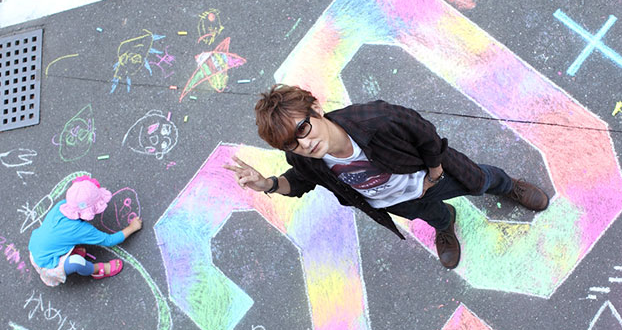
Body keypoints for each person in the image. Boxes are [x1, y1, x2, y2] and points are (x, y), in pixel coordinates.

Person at [224, 84, 549, 269]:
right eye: (292, 143)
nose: (304, 144)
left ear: (316, 109)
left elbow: (426, 135)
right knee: (433, 215)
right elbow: (299, 180)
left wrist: (435, 173)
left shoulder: (377, 119)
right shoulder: (302, 157)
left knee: (480, 181)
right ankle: (445, 224)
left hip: (430, 176)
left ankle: (510, 186)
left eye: (303, 128)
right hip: (393, 201)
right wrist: (266, 184)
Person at [28, 176, 142, 286]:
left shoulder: (61, 205)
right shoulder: (81, 229)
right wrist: (132, 228)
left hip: (35, 248)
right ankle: (96, 270)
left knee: (62, 239)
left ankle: (69, 252)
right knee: (77, 262)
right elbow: (109, 240)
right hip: (48, 265)